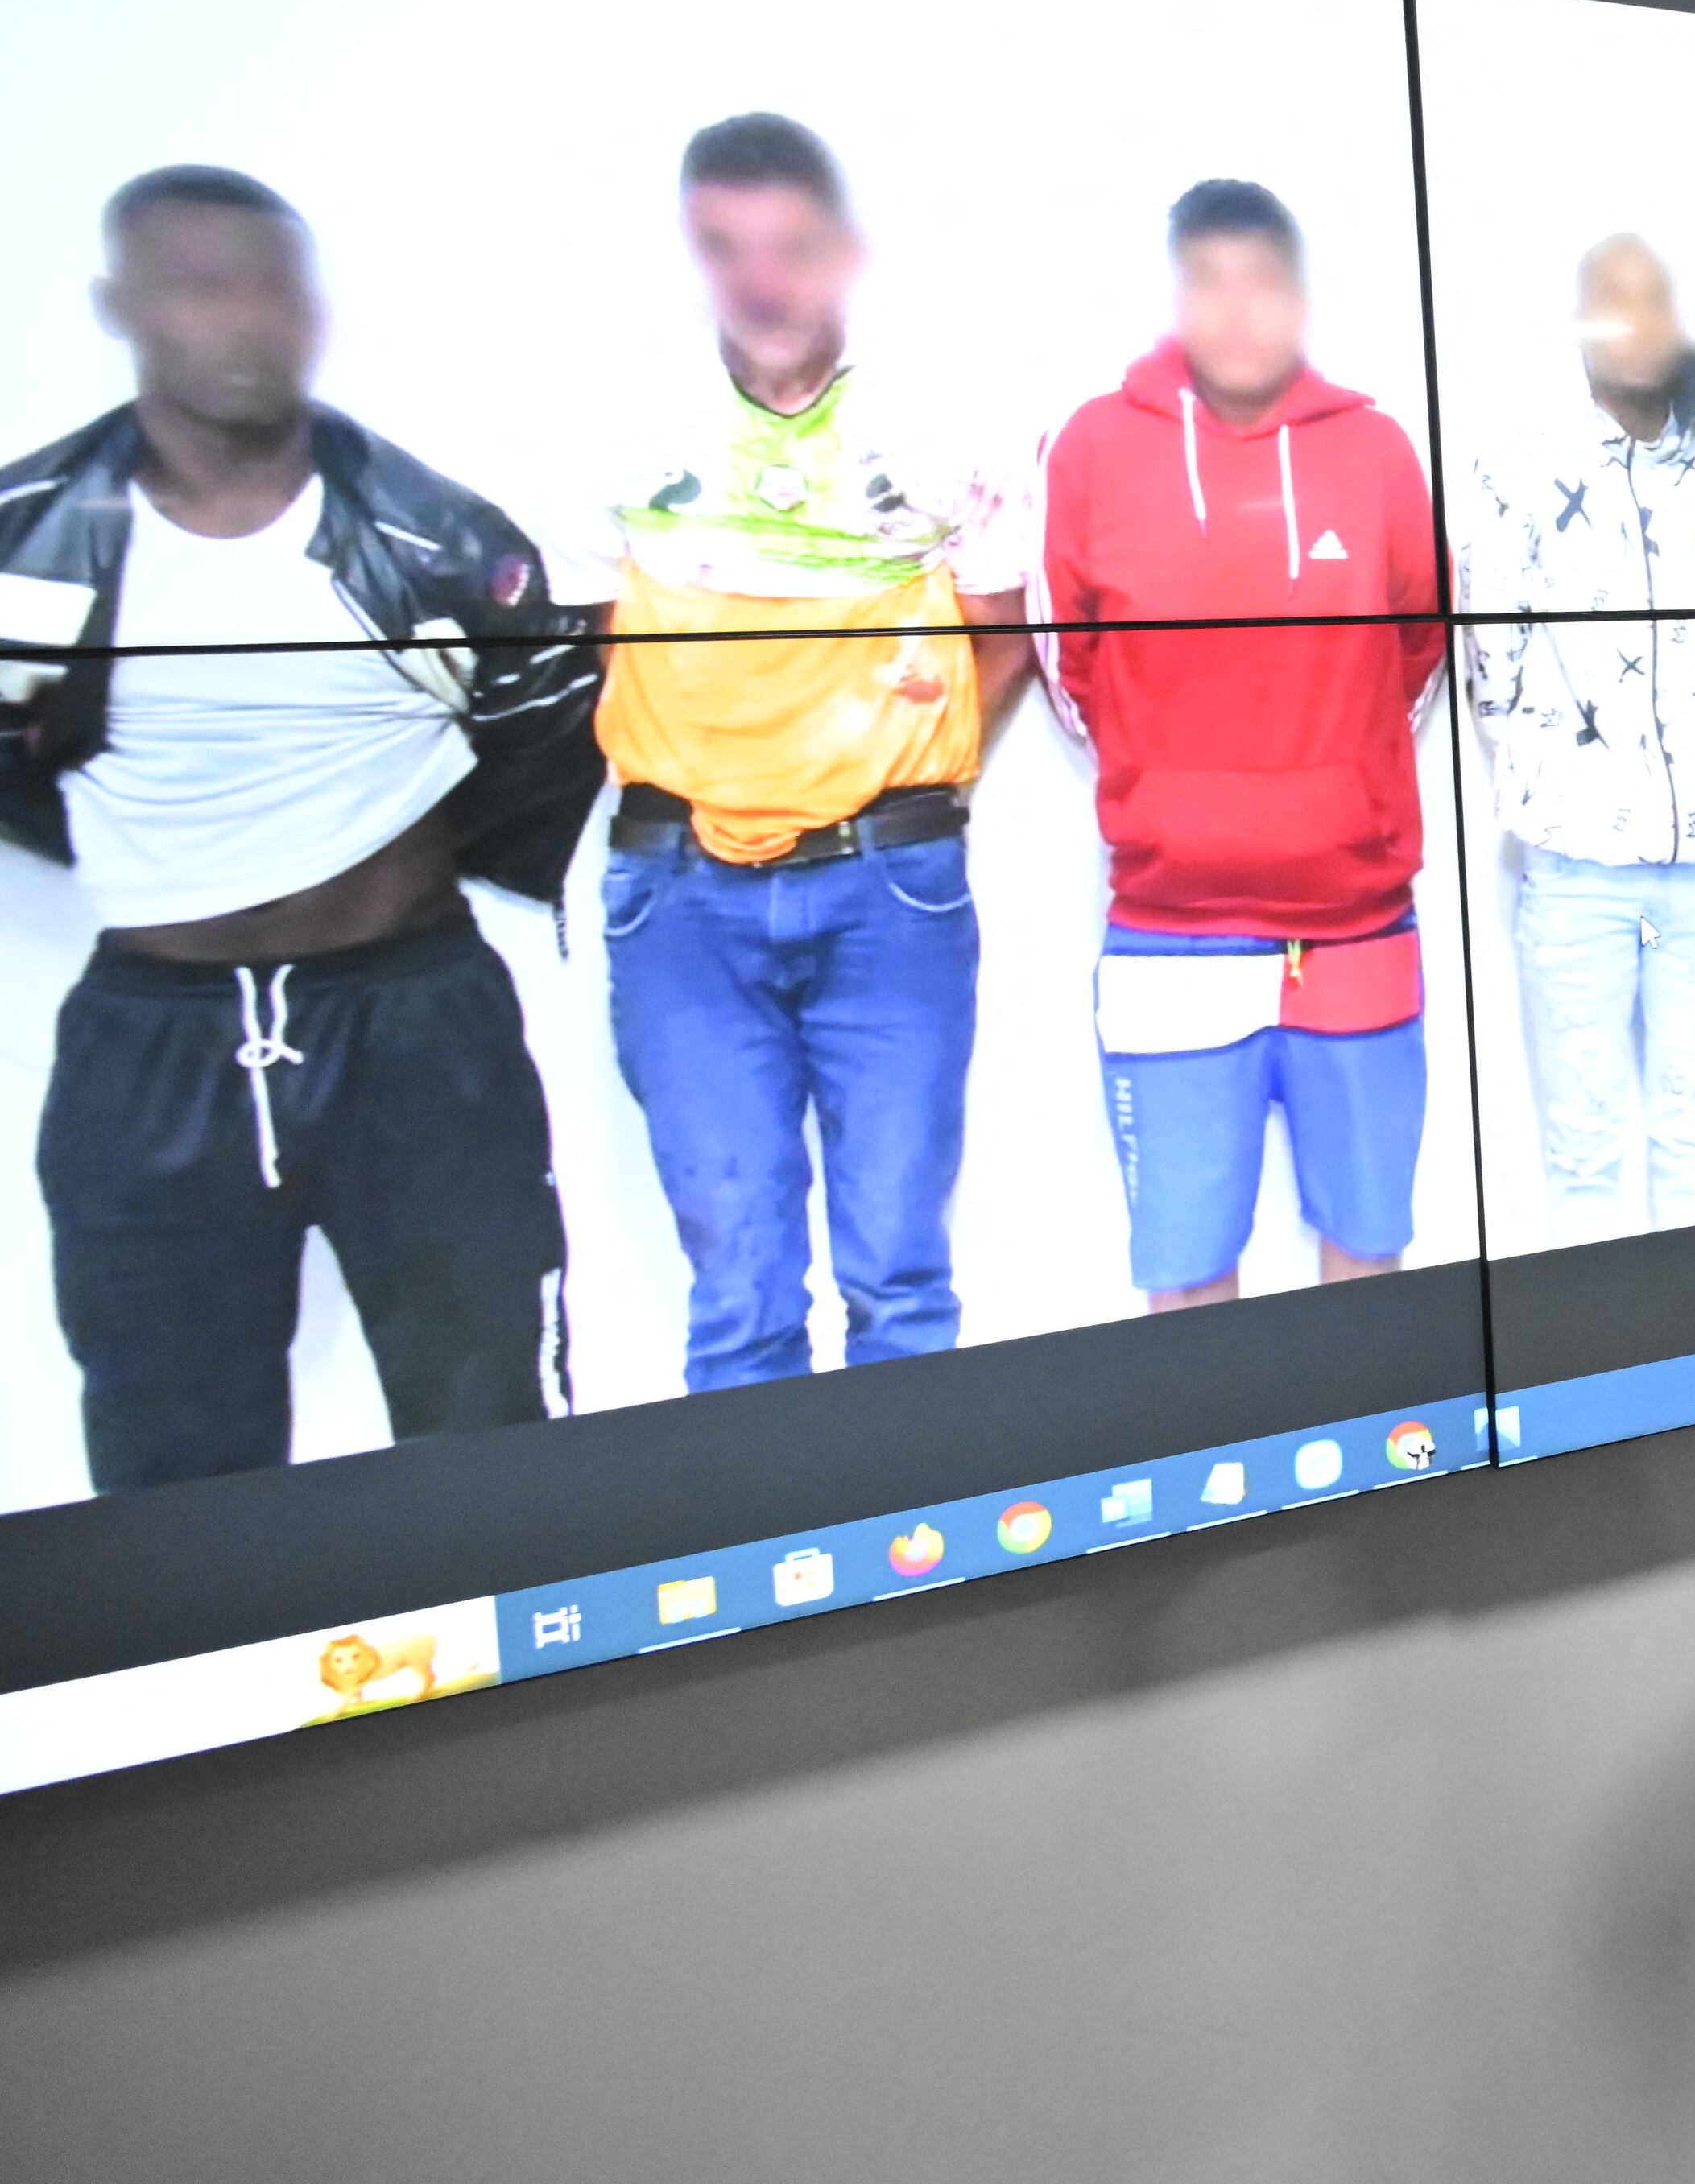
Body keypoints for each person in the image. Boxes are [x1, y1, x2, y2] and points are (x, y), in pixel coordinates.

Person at [0, 167, 601, 1491]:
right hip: (151, 1041)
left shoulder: (439, 538)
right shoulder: (23, 542)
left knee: (492, 1439)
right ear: (125, 304)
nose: (249, 319)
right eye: (204, 284)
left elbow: (538, 736)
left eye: (276, 283)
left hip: (417, 1025)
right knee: (170, 1470)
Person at [573, 113, 1031, 1389]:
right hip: (677, 893)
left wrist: (912, 775)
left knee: (901, 1278)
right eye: (726, 248)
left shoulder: (944, 425)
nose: (762, 281)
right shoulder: (617, 425)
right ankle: (772, 1575)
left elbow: (1008, 636)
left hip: (891, 887)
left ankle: (930, 1577)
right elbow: (563, 642)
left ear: (844, 252)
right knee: (739, 1293)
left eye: (791, 247)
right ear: (690, 250)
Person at [1039, 180, 1445, 1310]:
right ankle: (1226, 1481)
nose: (1235, 310)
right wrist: (1175, 790)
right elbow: (1072, 661)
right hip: (1170, 935)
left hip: (1357, 926)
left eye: (1260, 281)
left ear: (1300, 297)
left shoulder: (1373, 451)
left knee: (1367, 1254)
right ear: (1175, 294)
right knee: (1183, 1269)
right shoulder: (1092, 448)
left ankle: (1385, 1487)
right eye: (1208, 281)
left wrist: (1336, 784)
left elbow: (1413, 648)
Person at [1457, 233, 1695, 1232]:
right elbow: (1492, 661)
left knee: (1694, 1139)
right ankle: (1589, 1369)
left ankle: (1686, 1368)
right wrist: (1558, 779)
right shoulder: (1517, 472)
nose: (1634, 322)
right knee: (1582, 1154)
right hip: (1576, 867)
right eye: (1611, 300)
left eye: (1653, 301)